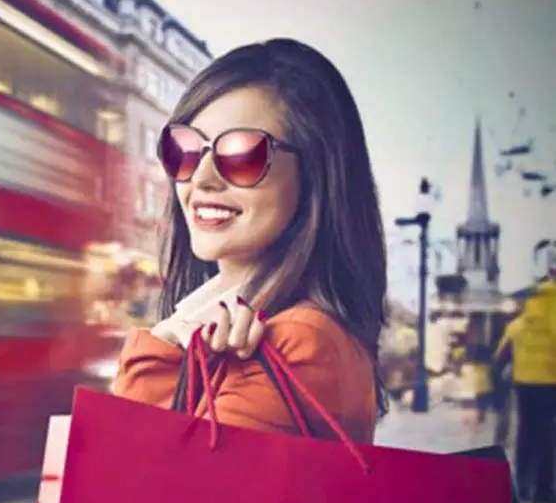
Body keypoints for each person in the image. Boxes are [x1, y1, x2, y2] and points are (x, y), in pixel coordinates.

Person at [112, 38, 387, 444]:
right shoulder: (227, 330)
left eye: (242, 154)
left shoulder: (298, 343)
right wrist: (172, 338)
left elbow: (126, 468)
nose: (200, 177)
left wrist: (157, 353)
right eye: (184, 149)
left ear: (316, 176)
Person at [495, 277, 556, 503]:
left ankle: (521, 485)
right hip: (551, 384)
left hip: (524, 384)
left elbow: (501, 356)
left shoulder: (517, 325)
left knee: (526, 432)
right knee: (547, 434)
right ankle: (543, 490)